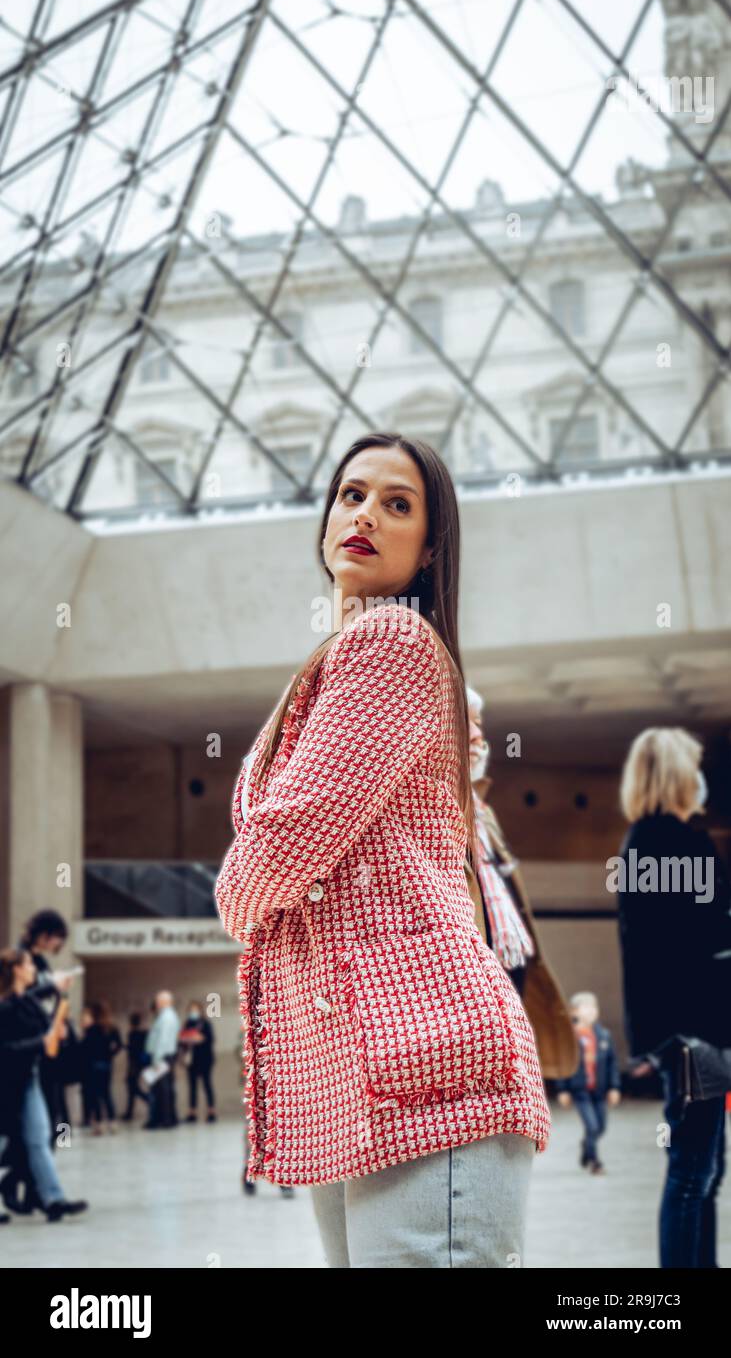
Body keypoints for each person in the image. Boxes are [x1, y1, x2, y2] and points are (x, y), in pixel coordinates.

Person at [214, 432, 550, 1268]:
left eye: (396, 504)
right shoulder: (343, 655)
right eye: (350, 494)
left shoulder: (390, 643)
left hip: (424, 1062)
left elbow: (287, 838)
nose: (363, 513)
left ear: (430, 544)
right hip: (363, 1076)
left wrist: (235, 893)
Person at [615, 727, 731, 1269]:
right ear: (677, 775)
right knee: (693, 1173)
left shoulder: (646, 841)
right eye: (695, 766)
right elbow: (693, 943)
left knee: (703, 1170)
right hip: (694, 1033)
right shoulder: (672, 842)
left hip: (680, 1032)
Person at [464, 686, 578, 1084]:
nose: (480, 737)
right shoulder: (431, 810)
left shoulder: (483, 811)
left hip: (510, 968)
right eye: (468, 724)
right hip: (471, 988)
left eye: (480, 724)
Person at [0, 948, 88, 1222]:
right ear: (15, 969)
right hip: (5, 1082)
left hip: (28, 1078)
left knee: (40, 1138)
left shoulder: (23, 1001)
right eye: (27, 964)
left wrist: (56, 994)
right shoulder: (5, 1005)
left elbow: (31, 1004)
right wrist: (42, 1040)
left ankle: (53, 1199)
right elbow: (5, 1048)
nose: (33, 968)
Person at [18, 910, 73, 1146]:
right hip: (30, 1045)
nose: (59, 943)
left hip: (45, 1042)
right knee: (38, 1118)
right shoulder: (22, 959)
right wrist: (51, 986)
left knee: (53, 1109)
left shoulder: (40, 961)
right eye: (56, 936)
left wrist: (60, 1022)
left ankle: (39, 1172)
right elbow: (20, 1000)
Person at [555, 992, 622, 1175]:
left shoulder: (603, 1036)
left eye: (594, 1008)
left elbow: (612, 1063)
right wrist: (563, 1090)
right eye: (587, 1007)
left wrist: (614, 1087)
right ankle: (594, 1162)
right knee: (591, 1126)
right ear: (574, 1011)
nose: (592, 1011)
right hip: (580, 1090)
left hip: (599, 1090)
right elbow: (563, 1063)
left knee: (601, 1127)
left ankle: (587, 1147)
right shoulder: (571, 1036)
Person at [84, 1001, 122, 1135]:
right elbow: (119, 1045)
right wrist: (110, 1054)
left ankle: (99, 1124)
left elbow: (86, 1048)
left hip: (94, 1065)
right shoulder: (112, 1028)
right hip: (107, 1064)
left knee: (96, 1095)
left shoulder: (91, 1029)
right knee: (107, 1094)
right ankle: (112, 1122)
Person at [144, 991, 180, 1129]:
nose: (156, 1003)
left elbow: (163, 1040)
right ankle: (166, 1118)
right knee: (163, 1089)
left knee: (162, 1090)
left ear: (166, 1001)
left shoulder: (167, 1017)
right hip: (163, 1056)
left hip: (162, 1057)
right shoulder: (165, 1016)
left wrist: (156, 1059)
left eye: (158, 1000)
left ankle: (166, 1119)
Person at [180, 1001, 216, 1123]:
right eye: (191, 1010)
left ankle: (211, 1111)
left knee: (207, 1085)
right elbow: (181, 1040)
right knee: (192, 1086)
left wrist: (199, 1039)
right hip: (192, 1060)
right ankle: (192, 1112)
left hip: (205, 1059)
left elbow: (210, 1039)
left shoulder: (205, 1024)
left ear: (200, 1011)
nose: (193, 1012)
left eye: (195, 1010)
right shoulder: (187, 1024)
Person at [122, 1012, 149, 1122]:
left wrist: (127, 1047)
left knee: (133, 1088)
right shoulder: (143, 1033)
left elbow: (133, 1050)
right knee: (132, 1089)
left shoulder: (133, 1034)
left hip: (134, 1064)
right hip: (139, 1064)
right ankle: (129, 1112)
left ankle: (149, 1099)